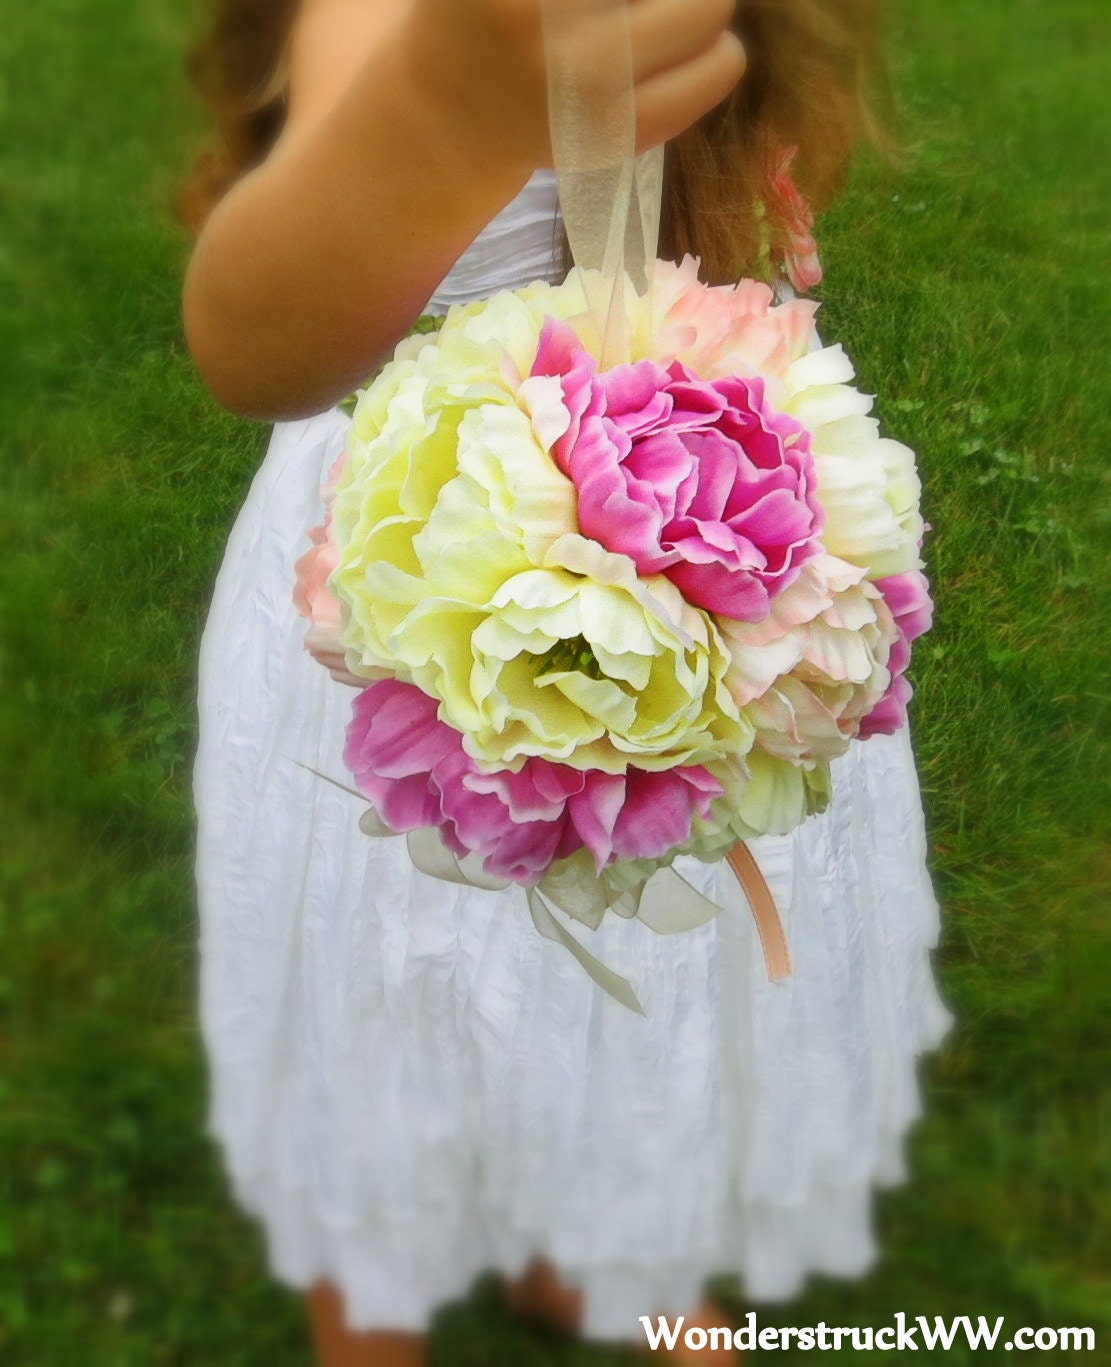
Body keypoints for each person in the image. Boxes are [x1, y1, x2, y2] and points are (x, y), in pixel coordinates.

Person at [183, 1, 952, 1362]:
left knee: (626, 972)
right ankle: (370, 1308)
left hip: (679, 543)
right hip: (416, 591)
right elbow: (257, 343)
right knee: (390, 986)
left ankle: (578, 1249)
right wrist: (445, 108)